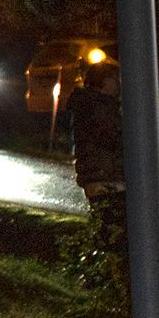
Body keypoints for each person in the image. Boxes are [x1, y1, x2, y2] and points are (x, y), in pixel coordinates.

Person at [66, 58, 125, 253]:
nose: (119, 85)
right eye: (116, 80)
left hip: (98, 176)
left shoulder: (88, 104)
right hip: (106, 178)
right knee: (113, 234)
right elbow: (111, 136)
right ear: (106, 82)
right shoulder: (98, 107)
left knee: (107, 231)